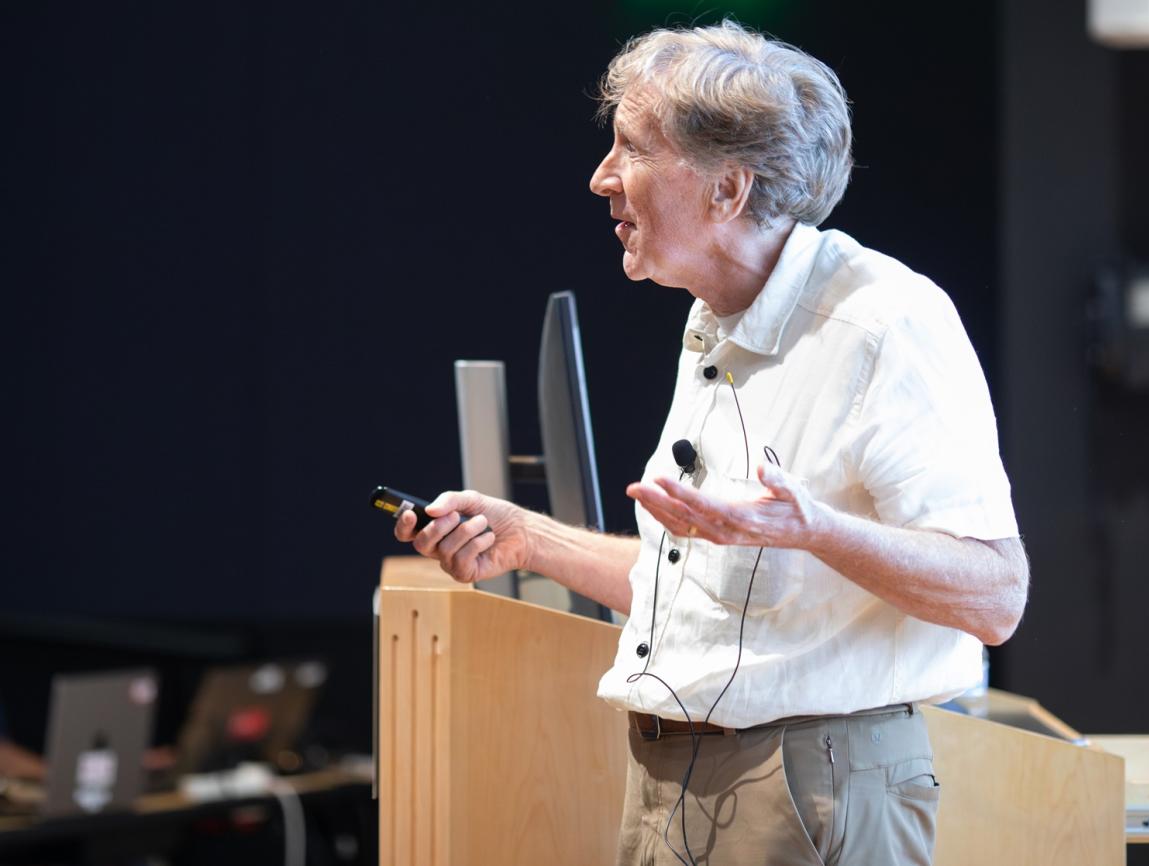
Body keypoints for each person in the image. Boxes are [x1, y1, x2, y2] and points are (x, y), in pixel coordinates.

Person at [397, 20, 1028, 866]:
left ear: (727, 189)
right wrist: (531, 539)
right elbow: (709, 595)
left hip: (809, 784)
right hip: (670, 779)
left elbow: (995, 597)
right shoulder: (714, 319)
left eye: (631, 149)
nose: (601, 180)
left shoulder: (885, 324)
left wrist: (818, 530)